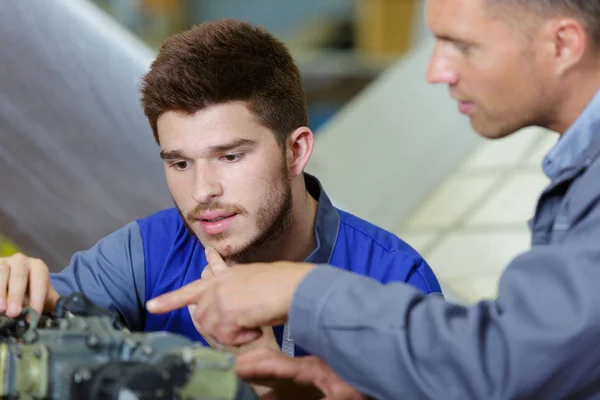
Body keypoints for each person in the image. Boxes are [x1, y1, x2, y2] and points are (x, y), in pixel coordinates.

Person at [147, 0, 600, 398]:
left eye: (461, 45)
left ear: (562, 44)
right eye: (180, 162)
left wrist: (297, 289)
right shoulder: (580, 174)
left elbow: (506, 363)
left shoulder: (398, 270)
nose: (435, 71)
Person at [0, 19, 441, 359]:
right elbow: (52, 315)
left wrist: (271, 379)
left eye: (230, 157)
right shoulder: (145, 255)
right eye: (179, 163)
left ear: (296, 150)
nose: (202, 191)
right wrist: (26, 301)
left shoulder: (395, 283)